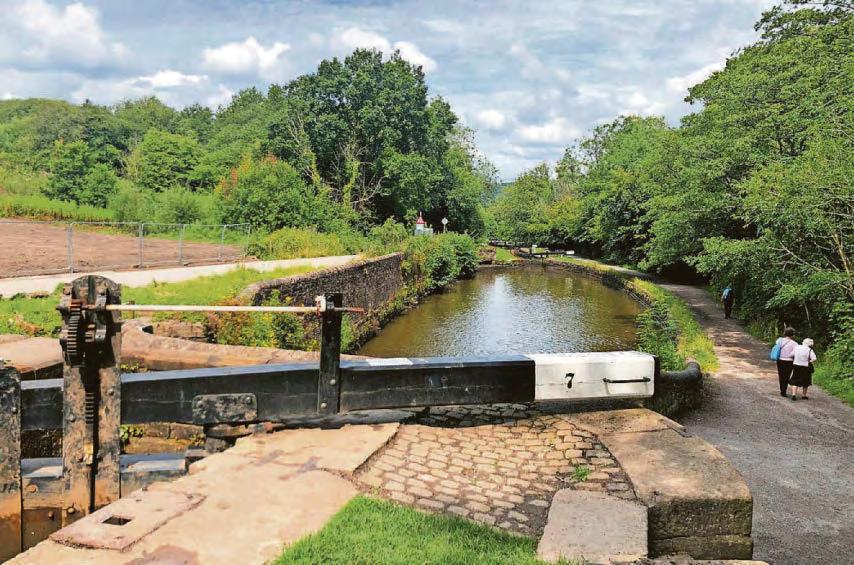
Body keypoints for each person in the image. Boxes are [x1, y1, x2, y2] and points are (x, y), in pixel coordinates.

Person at [775, 327, 798, 397]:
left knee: (781, 375)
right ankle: (785, 389)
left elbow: (776, 346)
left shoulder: (779, 340)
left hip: (780, 360)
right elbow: (794, 353)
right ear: (792, 335)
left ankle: (783, 391)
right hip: (789, 361)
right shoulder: (795, 344)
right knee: (787, 376)